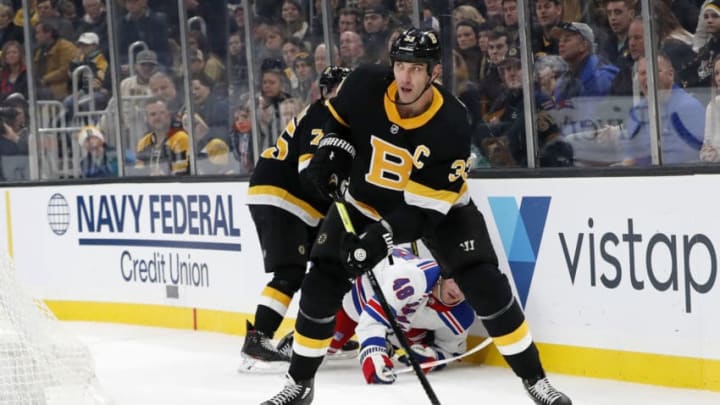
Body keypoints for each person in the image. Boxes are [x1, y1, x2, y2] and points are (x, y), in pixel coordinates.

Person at [261, 27, 571, 405]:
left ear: (434, 73)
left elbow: (422, 214)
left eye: (416, 69)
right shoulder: (364, 84)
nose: (405, 77)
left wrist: (379, 239)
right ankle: (299, 384)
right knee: (321, 281)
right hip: (365, 200)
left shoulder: (452, 122)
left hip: (439, 210)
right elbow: (339, 122)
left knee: (485, 283)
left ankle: (535, 380)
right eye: (401, 66)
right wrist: (333, 152)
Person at [240, 66, 354, 373]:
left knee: (329, 265)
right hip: (283, 194)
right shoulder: (324, 113)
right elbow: (309, 170)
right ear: (328, 92)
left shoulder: (342, 119)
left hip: (297, 202)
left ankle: (321, 330)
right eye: (345, 88)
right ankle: (258, 339)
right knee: (290, 270)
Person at [328, 247, 476, 383]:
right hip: (353, 302)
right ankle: (376, 341)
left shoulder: (462, 314)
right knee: (319, 351)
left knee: (419, 339)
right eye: (454, 281)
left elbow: (451, 351)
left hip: (396, 318)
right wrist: (375, 356)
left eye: (465, 286)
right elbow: (373, 320)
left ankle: (387, 341)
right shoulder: (414, 277)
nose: (457, 292)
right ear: (444, 272)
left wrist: (430, 357)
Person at [134, 97, 190, 176]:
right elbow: (139, 173)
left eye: (162, 113)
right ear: (146, 118)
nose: (157, 117)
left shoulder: (180, 138)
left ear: (169, 115)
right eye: (153, 114)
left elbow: (180, 175)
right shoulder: (143, 142)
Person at [700, 56, 720, 162]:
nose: (719, 78)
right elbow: (706, 145)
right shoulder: (713, 105)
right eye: (717, 73)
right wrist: (707, 153)